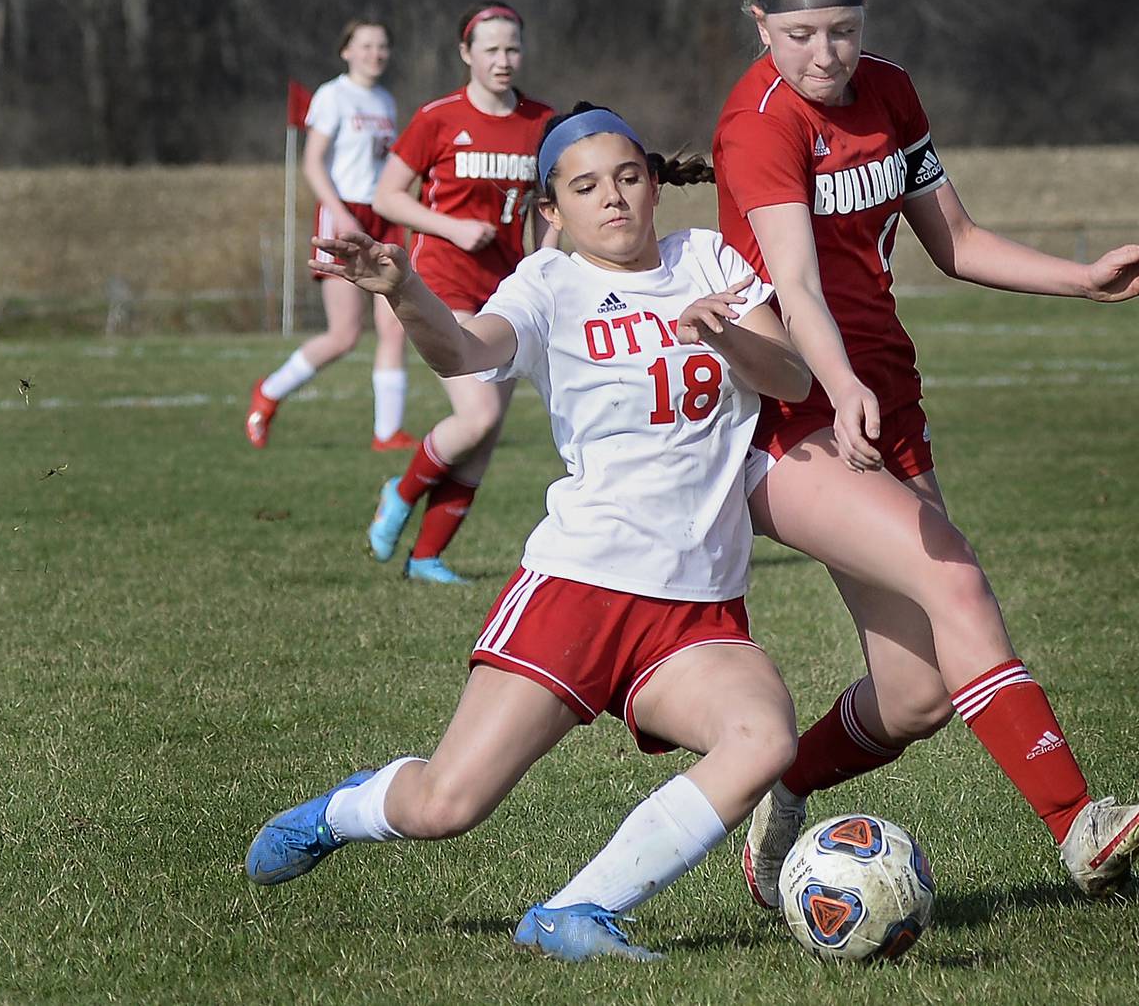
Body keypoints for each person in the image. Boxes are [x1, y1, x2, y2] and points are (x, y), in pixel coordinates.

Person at [705, 0, 1139, 907]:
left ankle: (782, 785)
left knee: (915, 691)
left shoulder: (893, 94)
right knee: (956, 579)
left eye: (843, 29)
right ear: (758, 25)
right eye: (800, 36)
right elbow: (792, 284)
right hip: (790, 412)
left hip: (883, 401)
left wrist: (1082, 280)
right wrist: (837, 383)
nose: (826, 53)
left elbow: (954, 241)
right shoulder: (759, 124)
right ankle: (1077, 823)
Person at [244, 106, 813, 962]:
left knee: (764, 738)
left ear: (654, 183)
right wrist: (402, 287)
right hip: (579, 588)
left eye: (626, 177)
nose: (613, 198)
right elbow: (463, 351)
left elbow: (792, 373)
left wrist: (722, 332)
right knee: (445, 806)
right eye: (585, 187)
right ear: (552, 209)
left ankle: (576, 912)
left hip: (698, 609)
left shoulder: (707, 258)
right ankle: (342, 810)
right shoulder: (547, 283)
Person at [367, 0, 555, 583]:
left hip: (505, 288)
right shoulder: (438, 117)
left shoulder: (540, 121)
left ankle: (427, 557)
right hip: (442, 281)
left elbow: (551, 204)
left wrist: (545, 260)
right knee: (474, 416)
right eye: (491, 49)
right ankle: (397, 495)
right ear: (466, 54)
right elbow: (386, 196)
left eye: (513, 48)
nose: (504, 60)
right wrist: (451, 227)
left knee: (486, 433)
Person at [246, 18, 415, 452]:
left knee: (394, 327)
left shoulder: (385, 100)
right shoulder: (332, 95)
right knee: (344, 334)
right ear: (346, 51)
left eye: (382, 46)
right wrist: (340, 214)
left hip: (380, 214)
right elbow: (313, 163)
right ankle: (268, 393)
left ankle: (387, 434)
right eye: (365, 45)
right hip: (343, 215)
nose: (375, 53)